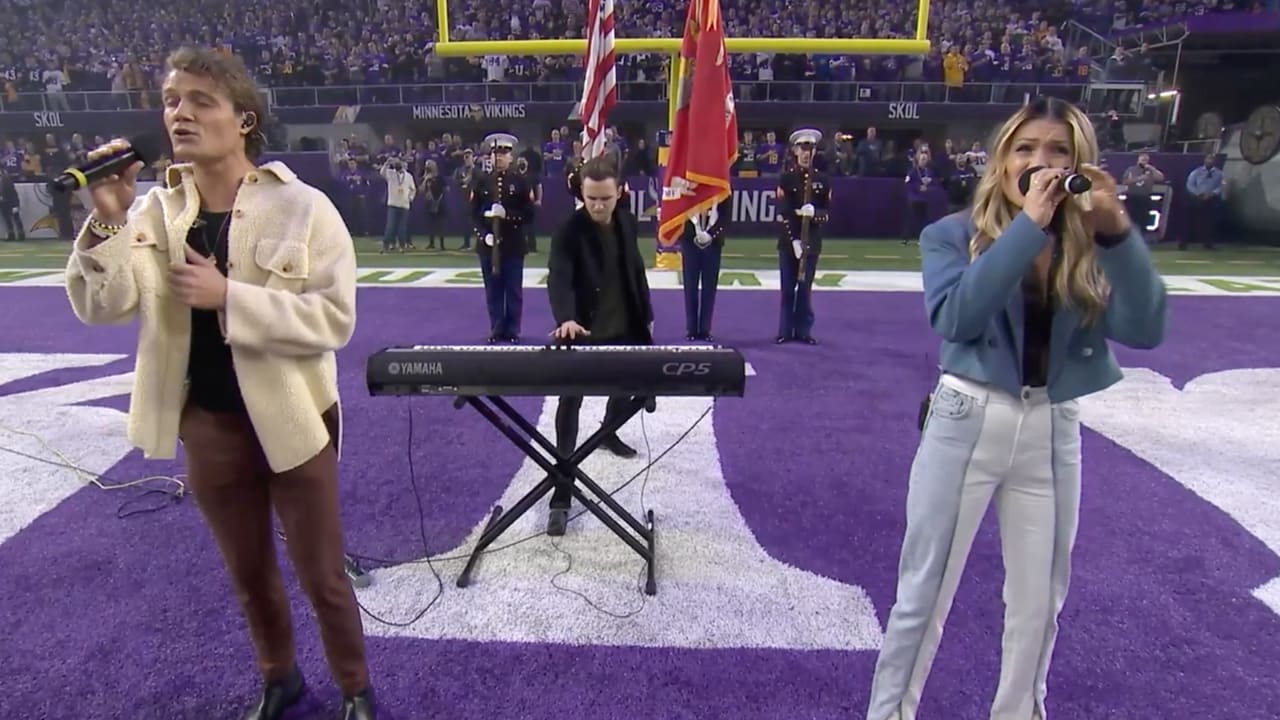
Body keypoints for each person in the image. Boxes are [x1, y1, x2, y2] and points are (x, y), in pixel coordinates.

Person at [62, 47, 376, 720]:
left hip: (294, 421)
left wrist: (228, 296)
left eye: (202, 100)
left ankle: (355, 688)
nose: (181, 112)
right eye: (173, 99)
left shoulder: (303, 207)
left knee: (322, 575)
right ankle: (279, 679)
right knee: (249, 576)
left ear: (244, 120)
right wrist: (110, 217)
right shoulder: (150, 213)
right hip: (207, 424)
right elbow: (100, 306)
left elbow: (333, 320)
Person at [864, 96, 1167, 720]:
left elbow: (1145, 327)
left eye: (1059, 150)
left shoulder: (1090, 243)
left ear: (1081, 161)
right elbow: (957, 316)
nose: (1042, 162)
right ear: (1002, 160)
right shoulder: (949, 234)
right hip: (965, 420)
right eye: (1026, 148)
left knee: (1038, 604)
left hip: (1053, 428)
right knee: (924, 594)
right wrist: (1027, 226)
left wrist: (1115, 233)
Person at [545, 156, 654, 536]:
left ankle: (608, 429)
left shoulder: (625, 220)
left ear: (620, 192)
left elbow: (636, 269)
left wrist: (648, 312)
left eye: (605, 198)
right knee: (569, 401)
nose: (597, 206)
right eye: (591, 198)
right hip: (583, 329)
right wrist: (566, 319)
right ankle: (562, 484)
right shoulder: (568, 232)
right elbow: (558, 277)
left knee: (628, 389)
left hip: (625, 324)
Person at [470, 132, 534, 343]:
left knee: (513, 289)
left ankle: (513, 330)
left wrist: (508, 216)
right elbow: (472, 214)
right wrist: (484, 234)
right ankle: (497, 328)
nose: (499, 157)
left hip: (513, 244)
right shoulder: (481, 181)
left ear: (511, 157)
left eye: (504, 153)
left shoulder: (520, 182)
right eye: (495, 153)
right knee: (493, 289)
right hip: (488, 246)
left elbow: (529, 214)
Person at [775, 128, 831, 345]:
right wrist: (794, 240)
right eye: (802, 148)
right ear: (795, 150)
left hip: (812, 242)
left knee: (805, 288)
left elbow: (827, 212)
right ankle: (785, 330)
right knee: (788, 288)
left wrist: (815, 214)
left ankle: (803, 331)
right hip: (789, 243)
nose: (806, 153)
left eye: (810, 148)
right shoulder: (787, 178)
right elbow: (783, 211)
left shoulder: (823, 180)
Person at [680, 194, 730, 341]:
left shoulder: (721, 186)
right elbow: (680, 208)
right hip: (690, 241)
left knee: (709, 287)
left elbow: (725, 216)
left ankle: (705, 329)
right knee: (690, 286)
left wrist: (712, 234)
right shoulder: (687, 184)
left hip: (713, 244)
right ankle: (691, 329)